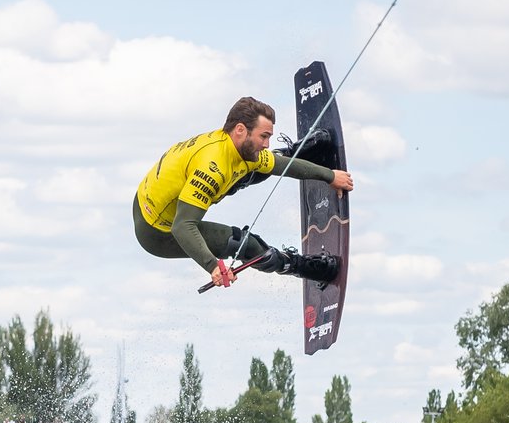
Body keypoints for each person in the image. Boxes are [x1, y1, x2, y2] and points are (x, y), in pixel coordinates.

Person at [134, 96, 355, 288]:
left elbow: (281, 166)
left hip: (157, 198)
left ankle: (300, 148)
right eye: (264, 136)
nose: (267, 144)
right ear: (240, 130)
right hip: (157, 231)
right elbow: (182, 226)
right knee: (245, 245)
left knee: (257, 166)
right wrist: (213, 266)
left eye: (269, 137)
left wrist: (330, 176)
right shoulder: (212, 168)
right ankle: (306, 267)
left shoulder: (234, 144)